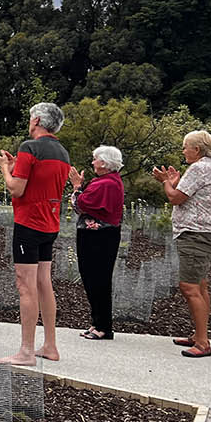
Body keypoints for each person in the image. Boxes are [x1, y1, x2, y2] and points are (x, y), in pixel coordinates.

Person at [0, 102, 72, 366]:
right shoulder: (62, 152)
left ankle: (26, 351)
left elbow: (16, 189)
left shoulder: (30, 147)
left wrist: (4, 167)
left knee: (25, 286)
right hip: (50, 224)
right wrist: (16, 166)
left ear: (36, 120)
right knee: (43, 283)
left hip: (29, 224)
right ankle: (50, 345)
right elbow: (37, 181)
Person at [153, 131, 211, 358]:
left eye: (186, 147)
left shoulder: (199, 168)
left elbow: (175, 198)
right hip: (203, 234)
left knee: (190, 287)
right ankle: (199, 335)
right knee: (200, 285)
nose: (183, 151)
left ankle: (202, 343)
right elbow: (183, 194)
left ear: (197, 149)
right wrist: (173, 183)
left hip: (196, 235)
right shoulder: (207, 168)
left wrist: (166, 182)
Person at [69, 146, 126, 341]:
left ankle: (103, 326)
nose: (92, 162)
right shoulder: (104, 181)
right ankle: (97, 322)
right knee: (92, 279)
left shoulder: (106, 184)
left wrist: (77, 186)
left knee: (98, 280)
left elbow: (79, 204)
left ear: (104, 162)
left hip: (100, 238)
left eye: (95, 159)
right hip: (96, 236)